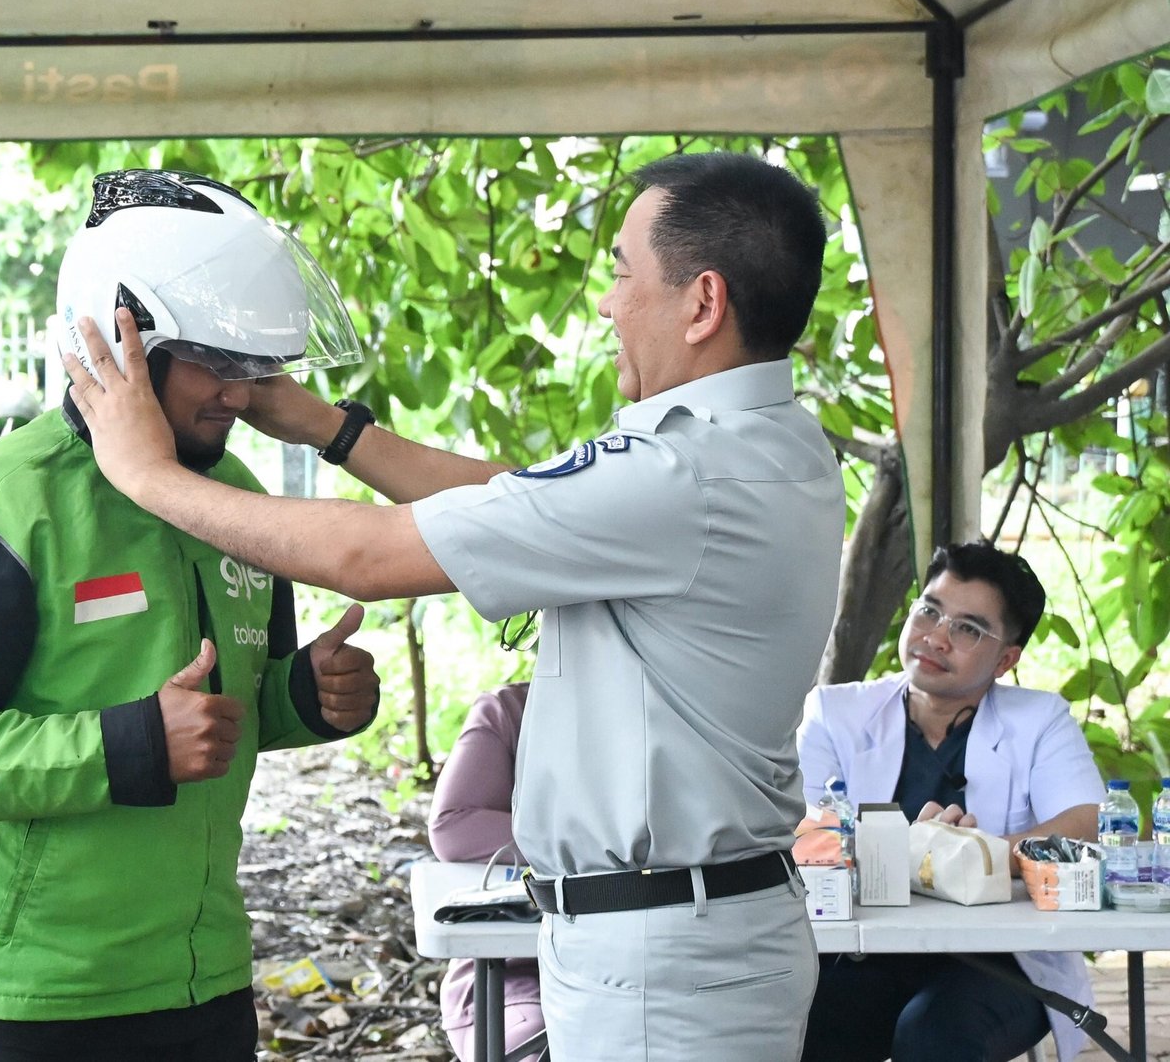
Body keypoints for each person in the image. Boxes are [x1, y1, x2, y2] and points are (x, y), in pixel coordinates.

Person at [61, 150, 845, 1061]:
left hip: (669, 959)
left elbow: (365, 556)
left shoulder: (687, 472)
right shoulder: (758, 443)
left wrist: (144, 473)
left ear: (703, 303)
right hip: (688, 937)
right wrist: (330, 428)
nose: (604, 302)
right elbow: (519, 498)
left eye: (623, 271)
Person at [0, 169, 380, 1062]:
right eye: (216, 365)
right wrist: (130, 742)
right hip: (30, 998)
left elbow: (228, 715)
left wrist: (306, 696)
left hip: (202, 977)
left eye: (253, 368)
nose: (238, 394)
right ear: (122, 340)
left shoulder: (234, 495)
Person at [797, 540, 1104, 1062]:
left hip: (1001, 960)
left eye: (968, 628)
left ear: (1006, 658)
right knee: (810, 1021)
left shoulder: (1039, 720)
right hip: (863, 951)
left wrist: (969, 856)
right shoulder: (836, 713)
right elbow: (804, 835)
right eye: (930, 611)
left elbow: (1085, 824)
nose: (936, 637)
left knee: (935, 1037)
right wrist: (921, 853)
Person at [428, 682, 545, 1061]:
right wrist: (602, 842)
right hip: (516, 975)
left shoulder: (681, 707)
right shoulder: (513, 709)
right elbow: (452, 826)